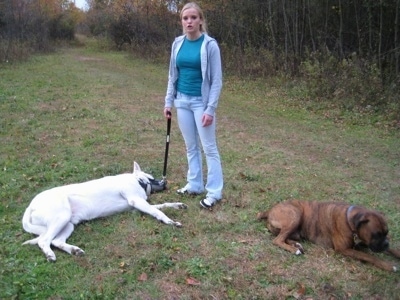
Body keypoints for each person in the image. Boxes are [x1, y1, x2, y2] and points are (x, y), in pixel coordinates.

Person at [163, 2, 223, 209]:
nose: (189, 21)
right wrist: (168, 102)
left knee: (209, 148)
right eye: (185, 18)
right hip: (182, 100)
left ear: (200, 20)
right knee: (191, 146)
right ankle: (195, 184)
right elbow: (173, 75)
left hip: (201, 103)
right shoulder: (177, 44)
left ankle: (214, 192)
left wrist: (210, 109)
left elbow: (216, 80)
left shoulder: (210, 45)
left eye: (193, 18)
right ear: (181, 21)